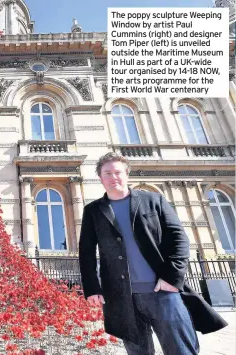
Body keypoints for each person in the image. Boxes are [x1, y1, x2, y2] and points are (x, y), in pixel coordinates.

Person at [79, 152, 227, 355]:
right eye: (107, 173)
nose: (113, 177)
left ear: (127, 174)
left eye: (118, 172)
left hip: (163, 291)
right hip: (121, 296)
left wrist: (171, 278)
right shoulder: (93, 211)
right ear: (100, 178)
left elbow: (179, 239)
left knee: (181, 350)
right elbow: (86, 252)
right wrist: (92, 288)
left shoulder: (154, 200)